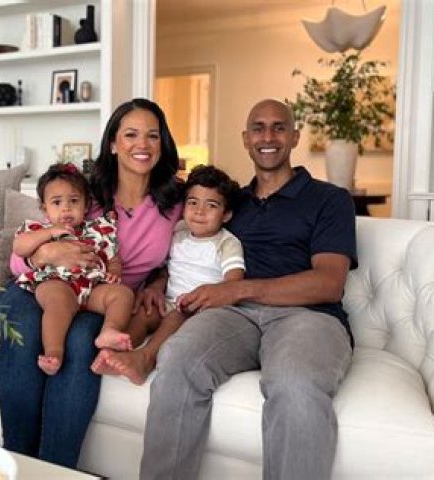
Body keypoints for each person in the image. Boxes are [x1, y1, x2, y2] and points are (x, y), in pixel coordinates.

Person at [140, 98, 357, 480]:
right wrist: (159, 282)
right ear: (245, 138)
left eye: (278, 127)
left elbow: (329, 283)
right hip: (233, 317)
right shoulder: (231, 202)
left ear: (295, 136)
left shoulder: (330, 199)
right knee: (176, 358)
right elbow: (190, 245)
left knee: (294, 383)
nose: (267, 136)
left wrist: (238, 290)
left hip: (308, 317)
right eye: (258, 128)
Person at [0, 98, 183, 468]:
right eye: (130, 135)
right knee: (23, 323)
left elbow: (185, 253)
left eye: (152, 136)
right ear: (113, 143)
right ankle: (17, 462)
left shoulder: (175, 200)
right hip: (41, 283)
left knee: (82, 340)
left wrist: (158, 282)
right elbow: (18, 259)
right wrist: (45, 254)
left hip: (101, 292)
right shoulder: (84, 192)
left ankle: (55, 471)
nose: (142, 144)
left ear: (162, 144)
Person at [91, 165, 245, 385]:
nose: (199, 211)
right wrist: (155, 287)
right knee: (143, 313)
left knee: (174, 317)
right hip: (170, 300)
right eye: (193, 202)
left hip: (202, 308)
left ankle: (145, 359)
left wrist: (204, 297)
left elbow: (234, 283)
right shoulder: (179, 232)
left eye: (211, 205)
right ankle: (116, 351)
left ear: (226, 214)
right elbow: (166, 267)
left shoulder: (226, 243)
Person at [13, 162, 133, 376]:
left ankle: (109, 331)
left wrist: (114, 272)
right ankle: (54, 351)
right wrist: (50, 233)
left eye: (74, 201)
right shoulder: (38, 229)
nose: (66, 208)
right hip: (56, 282)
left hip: (92, 288)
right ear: (44, 208)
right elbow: (19, 247)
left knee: (123, 294)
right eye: (57, 202)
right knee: (58, 303)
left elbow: (114, 256)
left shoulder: (99, 230)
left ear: (86, 206)